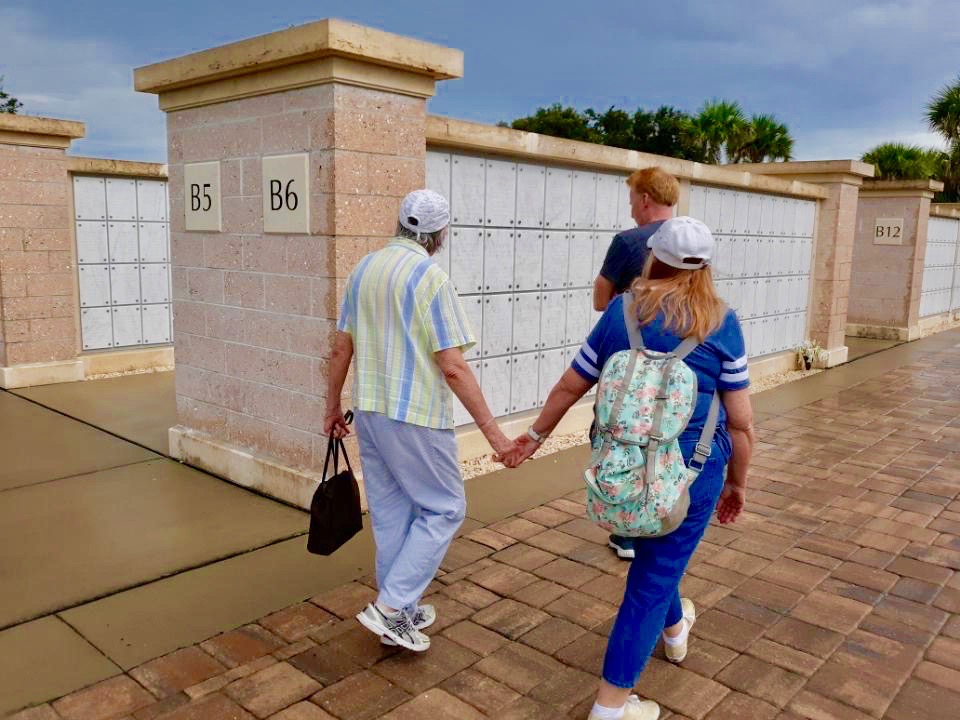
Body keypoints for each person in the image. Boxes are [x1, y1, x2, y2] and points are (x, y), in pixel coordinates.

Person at [503, 217, 755, 720]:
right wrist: (737, 483)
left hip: (623, 467)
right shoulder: (720, 321)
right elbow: (742, 422)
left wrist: (532, 438)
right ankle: (611, 708)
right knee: (652, 579)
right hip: (692, 470)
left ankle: (676, 632)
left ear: (652, 256)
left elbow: (570, 386)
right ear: (705, 268)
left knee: (655, 560)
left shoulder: (622, 312)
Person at [324, 189, 514, 653]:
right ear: (439, 232)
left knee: (392, 514)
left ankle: (400, 609)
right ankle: (390, 608)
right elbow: (453, 366)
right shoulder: (431, 278)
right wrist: (494, 435)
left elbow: (341, 347)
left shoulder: (364, 269)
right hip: (416, 416)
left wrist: (331, 407)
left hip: (370, 412)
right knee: (445, 508)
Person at [593, 166, 679, 561]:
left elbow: (601, 299)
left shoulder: (627, 242)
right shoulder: (691, 238)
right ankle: (661, 514)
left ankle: (626, 529)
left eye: (631, 199)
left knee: (619, 432)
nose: (630, 208)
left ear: (645, 199)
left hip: (630, 358)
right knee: (662, 433)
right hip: (679, 360)